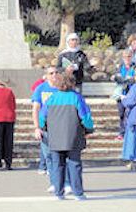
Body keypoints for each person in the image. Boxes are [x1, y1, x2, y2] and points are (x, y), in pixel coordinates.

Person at [39, 73, 94, 201]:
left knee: (57, 165)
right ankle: (78, 193)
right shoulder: (76, 98)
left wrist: (45, 128)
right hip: (73, 136)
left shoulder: (51, 98)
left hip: (55, 137)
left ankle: (59, 192)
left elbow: (42, 117)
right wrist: (88, 129)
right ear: (72, 83)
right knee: (74, 164)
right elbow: (85, 117)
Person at [32, 66, 71, 194]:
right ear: (47, 76)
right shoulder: (41, 89)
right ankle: (54, 183)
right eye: (51, 73)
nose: (54, 75)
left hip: (62, 127)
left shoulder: (63, 87)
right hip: (46, 128)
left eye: (56, 72)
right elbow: (36, 109)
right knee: (48, 156)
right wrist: (37, 127)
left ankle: (66, 183)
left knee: (63, 157)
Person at [113, 49, 135, 140]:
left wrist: (126, 79)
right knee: (121, 114)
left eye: (129, 56)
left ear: (132, 57)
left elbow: (135, 79)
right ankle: (122, 133)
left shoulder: (135, 67)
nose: (127, 58)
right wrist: (127, 79)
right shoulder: (119, 67)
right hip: (121, 94)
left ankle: (130, 132)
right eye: (125, 57)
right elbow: (116, 78)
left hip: (131, 93)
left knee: (130, 114)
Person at [31, 75, 47, 174]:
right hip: (43, 121)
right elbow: (34, 87)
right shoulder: (41, 86)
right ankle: (43, 166)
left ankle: (46, 166)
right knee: (45, 146)